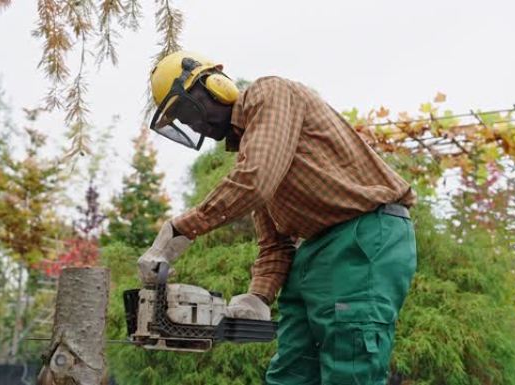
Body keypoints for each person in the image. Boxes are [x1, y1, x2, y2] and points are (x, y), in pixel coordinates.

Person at [138, 51, 417, 385]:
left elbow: (254, 180)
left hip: (364, 234)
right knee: (290, 371)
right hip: (314, 251)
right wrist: (259, 295)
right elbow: (275, 245)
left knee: (350, 362)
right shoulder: (254, 150)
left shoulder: (269, 94)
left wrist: (180, 230)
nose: (193, 123)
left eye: (186, 109)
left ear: (214, 84)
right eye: (182, 121)